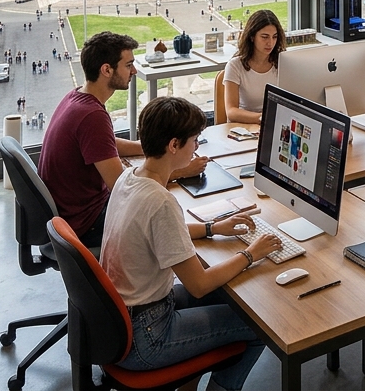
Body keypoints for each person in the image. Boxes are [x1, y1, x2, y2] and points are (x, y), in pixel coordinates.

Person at [101, 96, 279, 389]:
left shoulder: (129, 177)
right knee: (259, 325)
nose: (197, 147)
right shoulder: (161, 202)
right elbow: (199, 284)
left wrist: (211, 228)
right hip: (147, 337)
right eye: (194, 140)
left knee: (232, 299)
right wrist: (250, 254)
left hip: (121, 320)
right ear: (173, 145)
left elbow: (160, 231)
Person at [40, 31, 206, 248]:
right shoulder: (92, 116)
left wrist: (149, 148)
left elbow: (105, 143)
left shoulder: (78, 98)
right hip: (87, 223)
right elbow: (125, 189)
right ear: (107, 70)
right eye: (128, 65)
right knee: (166, 213)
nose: (134, 71)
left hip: (70, 215)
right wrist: (182, 170)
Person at [223, 9, 284, 125]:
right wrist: (263, 118)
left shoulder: (283, 63)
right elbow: (231, 112)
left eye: (274, 37)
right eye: (265, 37)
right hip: (244, 127)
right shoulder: (235, 66)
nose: (270, 43)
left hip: (274, 123)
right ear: (252, 37)